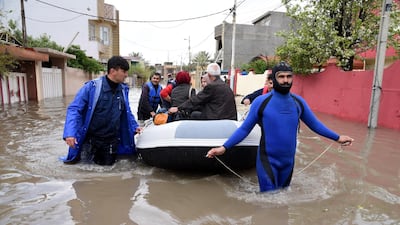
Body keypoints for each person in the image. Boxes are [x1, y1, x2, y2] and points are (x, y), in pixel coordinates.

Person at [206, 61, 354, 192]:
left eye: (289, 77)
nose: (285, 80)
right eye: (281, 77)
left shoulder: (298, 103)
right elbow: (245, 129)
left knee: (283, 202)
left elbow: (315, 125)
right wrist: (223, 148)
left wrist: (338, 137)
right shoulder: (261, 102)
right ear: (274, 79)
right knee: (269, 201)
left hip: (288, 162)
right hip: (267, 161)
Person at [62, 56, 142, 165]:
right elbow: (74, 109)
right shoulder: (92, 87)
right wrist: (69, 133)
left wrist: (135, 126)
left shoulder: (123, 90)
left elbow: (126, 112)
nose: (126, 75)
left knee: (108, 171)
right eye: (124, 71)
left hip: (111, 141)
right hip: (91, 140)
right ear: (113, 71)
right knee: (86, 174)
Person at [168, 63, 237, 120]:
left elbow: (196, 100)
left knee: (194, 115)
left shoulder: (212, 86)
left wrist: (178, 108)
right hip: (229, 118)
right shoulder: (225, 86)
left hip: (216, 119)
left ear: (209, 75)